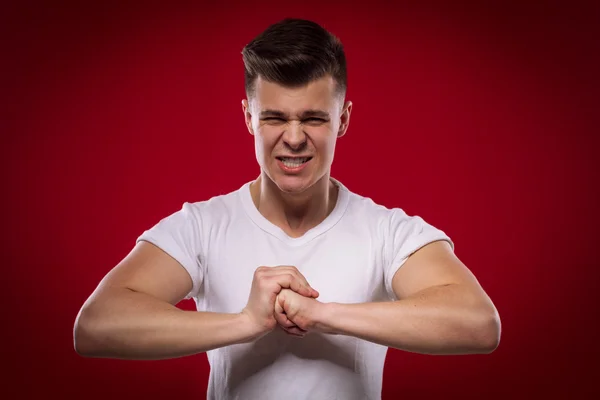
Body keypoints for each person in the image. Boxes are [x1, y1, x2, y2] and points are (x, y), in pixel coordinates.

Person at [73, 18, 501, 400]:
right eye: (274, 118)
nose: (293, 138)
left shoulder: (387, 231)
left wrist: (324, 315)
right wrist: (246, 322)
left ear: (343, 120)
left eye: (314, 118)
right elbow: (96, 326)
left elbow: (478, 323)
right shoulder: (201, 227)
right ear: (248, 118)